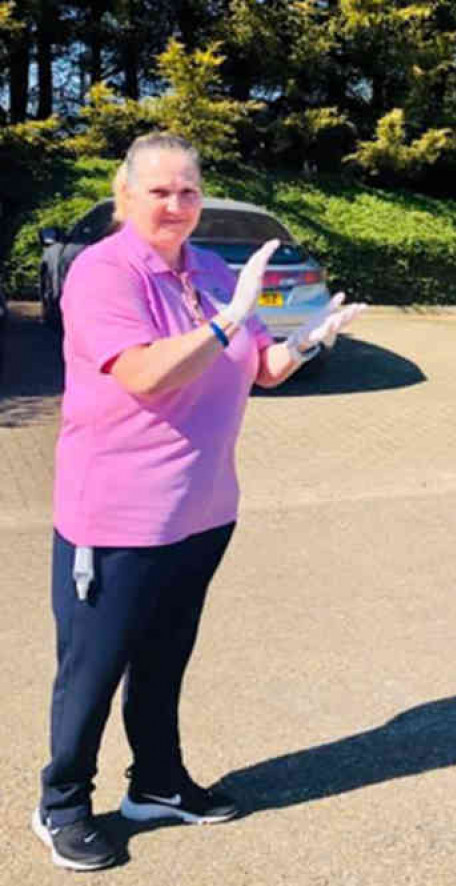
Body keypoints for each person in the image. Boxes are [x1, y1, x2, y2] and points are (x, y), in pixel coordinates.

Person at [33, 132, 366, 872]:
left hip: (203, 508)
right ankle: (61, 804)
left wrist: (308, 339)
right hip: (118, 514)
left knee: (164, 657)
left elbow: (261, 371)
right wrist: (222, 322)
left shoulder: (211, 269)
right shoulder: (102, 273)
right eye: (159, 191)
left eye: (188, 191)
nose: (177, 205)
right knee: (93, 666)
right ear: (126, 198)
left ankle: (155, 784)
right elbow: (146, 374)